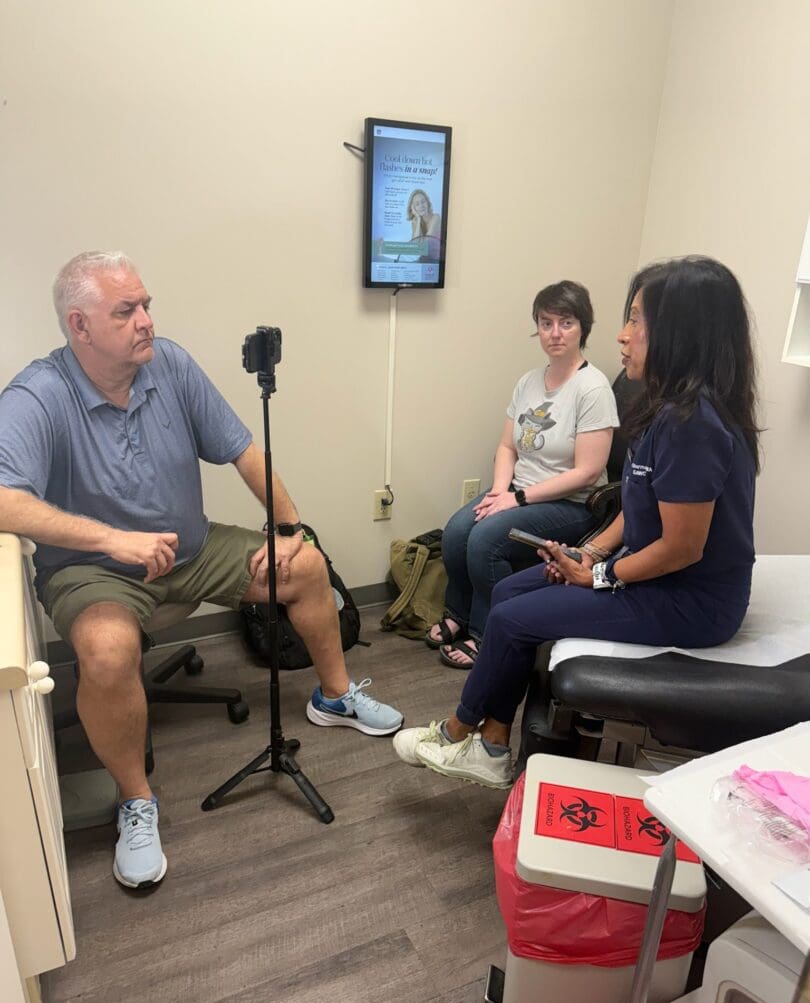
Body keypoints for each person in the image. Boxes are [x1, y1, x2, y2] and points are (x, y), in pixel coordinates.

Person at [0, 251, 403, 890]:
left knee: (308, 566)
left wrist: (290, 526)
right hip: (92, 570)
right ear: (79, 326)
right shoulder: (39, 394)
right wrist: (114, 540)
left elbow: (242, 451)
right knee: (106, 654)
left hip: (189, 548)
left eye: (146, 305)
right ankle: (137, 801)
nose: (145, 322)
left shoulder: (171, 365)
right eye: (125, 311)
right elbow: (4, 500)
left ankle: (334, 695)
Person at [397, 256, 759, 788]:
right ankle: (494, 745)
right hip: (654, 573)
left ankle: (459, 733)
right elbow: (636, 511)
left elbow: (683, 548)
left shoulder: (692, 425)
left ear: (680, 332)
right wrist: (588, 553)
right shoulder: (667, 411)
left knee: (513, 619)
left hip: (693, 599)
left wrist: (600, 576)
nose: (622, 336)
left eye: (636, 320)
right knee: (510, 595)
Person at [425, 281, 618, 669]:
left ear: (584, 327)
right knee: (457, 531)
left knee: (485, 541)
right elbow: (506, 446)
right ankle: (458, 615)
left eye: (566, 322)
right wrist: (499, 491)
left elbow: (588, 472)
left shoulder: (592, 389)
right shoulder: (529, 381)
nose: (555, 333)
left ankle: (485, 633)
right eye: (546, 323)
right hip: (517, 492)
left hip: (572, 504)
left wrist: (516, 500)